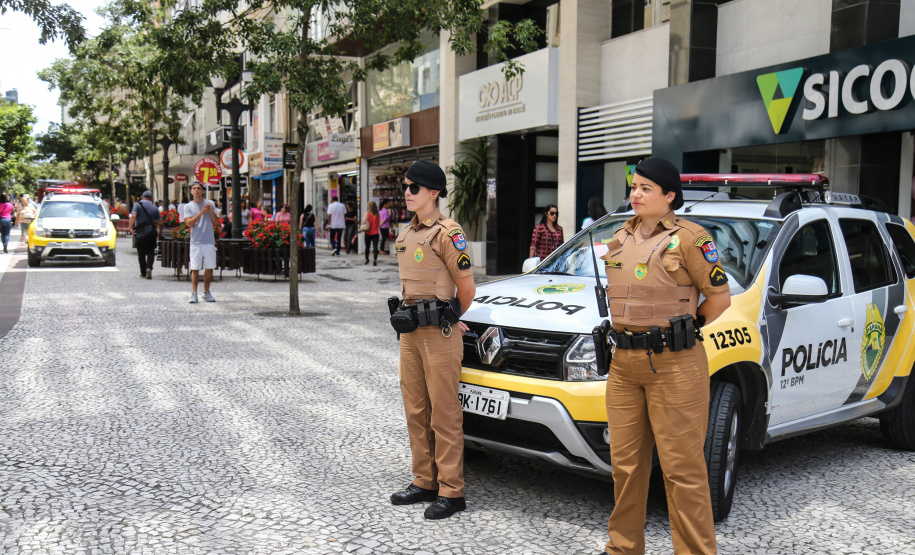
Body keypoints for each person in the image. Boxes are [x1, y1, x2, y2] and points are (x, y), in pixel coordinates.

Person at [596, 158, 731, 555]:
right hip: (624, 364)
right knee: (626, 467)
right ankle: (623, 548)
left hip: (674, 365)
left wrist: (683, 331)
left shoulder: (692, 238)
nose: (635, 194)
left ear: (669, 196)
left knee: (682, 471)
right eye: (634, 187)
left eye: (645, 188)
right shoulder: (621, 234)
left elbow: (720, 298)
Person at [390, 160, 476, 520]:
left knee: (444, 413)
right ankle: (424, 480)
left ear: (433, 193)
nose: (406, 193)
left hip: (439, 334)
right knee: (416, 409)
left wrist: (451, 317)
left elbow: (467, 288)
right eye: (406, 187)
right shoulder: (405, 233)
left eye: (414, 188)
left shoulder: (448, 232)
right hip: (411, 334)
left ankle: (452, 490)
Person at [184, 182, 219, 303]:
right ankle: (194, 293)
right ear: (191, 191)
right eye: (194, 188)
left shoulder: (210, 203)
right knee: (195, 268)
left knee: (209, 267)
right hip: (196, 242)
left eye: (199, 188)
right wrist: (201, 213)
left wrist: (211, 211)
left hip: (209, 241)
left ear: (203, 191)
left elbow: (216, 222)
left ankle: (206, 291)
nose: (197, 190)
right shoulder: (188, 206)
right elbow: (189, 223)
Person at [129, 190, 161, 279]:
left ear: (142, 197)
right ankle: (149, 268)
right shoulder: (155, 207)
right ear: (151, 198)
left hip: (140, 232)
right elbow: (160, 222)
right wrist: (159, 232)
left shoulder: (137, 205)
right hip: (151, 232)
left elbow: (133, 216)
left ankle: (143, 272)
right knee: (151, 252)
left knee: (141, 253)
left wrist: (130, 228)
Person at [361, 200, 380, 266]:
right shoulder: (378, 214)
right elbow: (378, 224)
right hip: (376, 232)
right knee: (375, 247)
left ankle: (367, 259)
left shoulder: (367, 214)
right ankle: (375, 259)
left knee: (367, 247)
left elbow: (363, 222)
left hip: (368, 232)